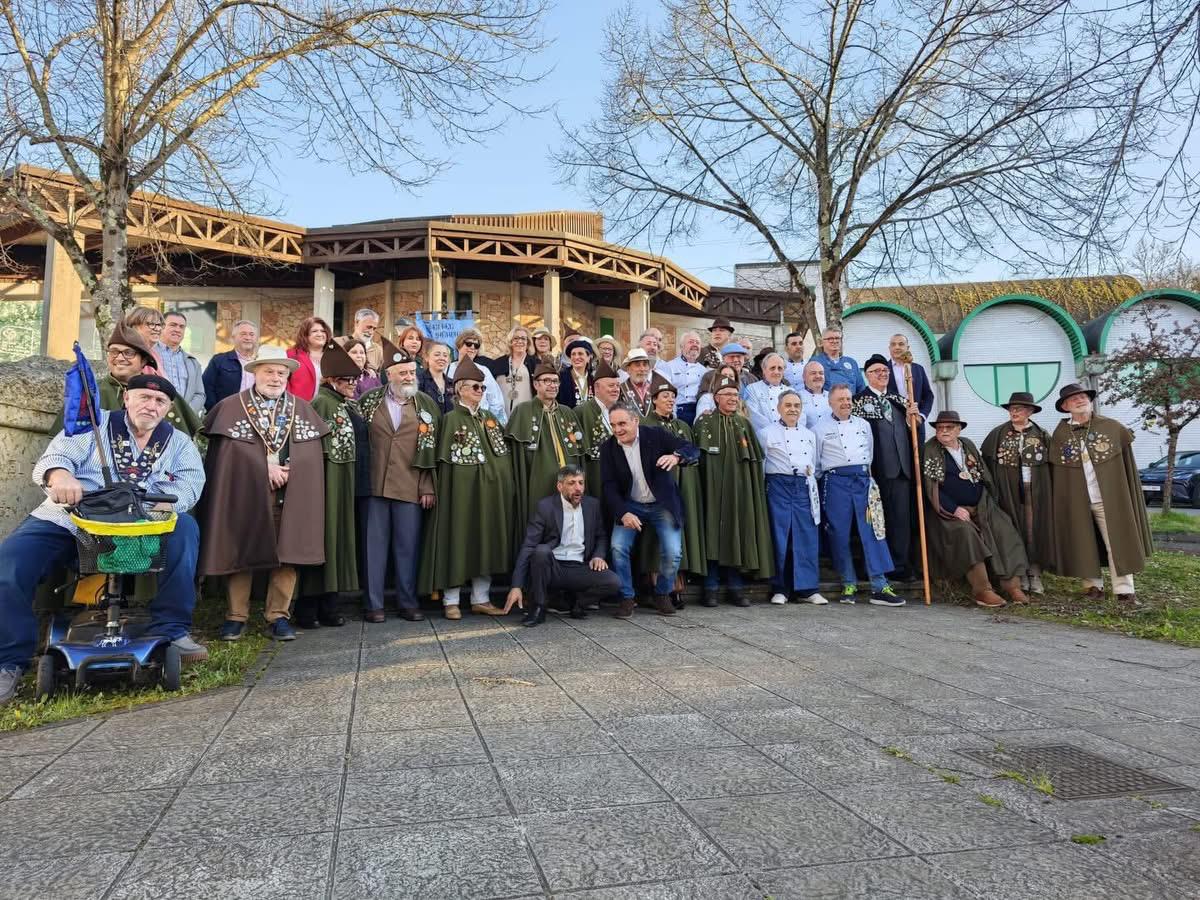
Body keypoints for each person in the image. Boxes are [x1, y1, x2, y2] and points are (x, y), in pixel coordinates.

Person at [0, 374, 207, 707]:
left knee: (184, 528)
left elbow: (189, 487)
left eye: (159, 402)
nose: (150, 406)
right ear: (126, 398)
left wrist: (153, 505)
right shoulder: (93, 426)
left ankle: (172, 629)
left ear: (168, 408)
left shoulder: (178, 442)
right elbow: (54, 461)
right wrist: (62, 477)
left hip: (142, 526)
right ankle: (8, 661)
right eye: (143, 397)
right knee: (10, 561)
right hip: (73, 519)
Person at [199, 345, 330, 642]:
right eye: (269, 371)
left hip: (289, 493)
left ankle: (278, 616)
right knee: (242, 547)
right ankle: (236, 616)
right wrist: (262, 469)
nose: (275, 377)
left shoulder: (301, 408)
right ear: (255, 372)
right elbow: (229, 458)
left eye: (281, 373)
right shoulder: (232, 407)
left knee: (288, 553)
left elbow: (312, 455)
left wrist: (294, 468)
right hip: (245, 493)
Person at [418, 356, 511, 619]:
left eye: (482, 388)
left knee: (486, 540)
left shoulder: (490, 418)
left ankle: (481, 598)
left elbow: (501, 455)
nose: (480, 392)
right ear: (459, 388)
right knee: (456, 541)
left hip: (489, 494)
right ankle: (451, 600)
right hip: (459, 496)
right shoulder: (449, 419)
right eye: (474, 387)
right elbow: (441, 461)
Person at [1049, 383, 1153, 608]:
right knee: (1083, 541)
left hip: (1108, 498)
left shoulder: (1111, 428)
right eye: (1073, 399)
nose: (1080, 400)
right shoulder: (1060, 434)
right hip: (1077, 500)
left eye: (1083, 396)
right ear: (1065, 407)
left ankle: (1124, 590)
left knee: (1116, 541)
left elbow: (1126, 467)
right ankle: (1092, 586)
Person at [358, 345, 440, 623]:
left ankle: (407, 602)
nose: (408, 377)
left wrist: (427, 485)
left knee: (408, 547)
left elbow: (433, 448)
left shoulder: (426, 403)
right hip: (374, 486)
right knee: (374, 548)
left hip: (411, 485)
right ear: (389, 375)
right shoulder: (369, 401)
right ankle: (374, 605)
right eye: (402, 372)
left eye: (411, 372)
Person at [923, 411, 1030, 608]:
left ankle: (1012, 585)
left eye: (949, 427)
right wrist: (954, 508)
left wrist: (984, 501)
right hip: (948, 512)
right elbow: (931, 486)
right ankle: (982, 589)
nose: (944, 431)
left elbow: (982, 475)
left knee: (1003, 528)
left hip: (981, 504)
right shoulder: (931, 449)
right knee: (966, 534)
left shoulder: (967, 445)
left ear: (959, 429)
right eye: (940, 428)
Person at [602, 403, 699, 618]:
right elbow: (608, 486)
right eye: (613, 425)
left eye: (622, 423)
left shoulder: (655, 435)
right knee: (618, 547)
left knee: (673, 552)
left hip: (661, 504)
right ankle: (627, 597)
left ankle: (662, 593)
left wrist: (676, 457)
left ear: (635, 421)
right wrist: (623, 513)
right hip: (630, 505)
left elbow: (692, 449)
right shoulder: (608, 448)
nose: (617, 429)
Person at [295, 341, 366, 629]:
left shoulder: (343, 403)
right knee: (323, 541)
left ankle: (330, 604)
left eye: (355, 380)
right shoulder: (322, 403)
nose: (353, 385)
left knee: (338, 542)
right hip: (327, 482)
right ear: (333, 380)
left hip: (343, 481)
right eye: (348, 380)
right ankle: (308, 608)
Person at [815, 384, 904, 606]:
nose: (845, 403)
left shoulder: (863, 425)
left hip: (862, 481)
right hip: (835, 483)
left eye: (848, 399)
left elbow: (870, 455)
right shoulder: (819, 428)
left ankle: (879, 584)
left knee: (873, 530)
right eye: (840, 400)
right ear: (830, 403)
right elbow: (817, 463)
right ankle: (848, 582)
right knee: (839, 532)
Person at [504, 465, 622, 627]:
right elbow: (529, 546)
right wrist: (516, 585)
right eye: (571, 483)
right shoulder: (545, 506)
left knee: (613, 581)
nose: (578, 488)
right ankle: (538, 607)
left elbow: (601, 535)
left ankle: (577, 604)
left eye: (581, 483)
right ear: (560, 486)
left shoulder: (592, 505)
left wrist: (598, 556)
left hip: (580, 567)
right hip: (553, 567)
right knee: (540, 551)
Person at [692, 375, 774, 605]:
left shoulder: (744, 424)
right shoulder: (704, 423)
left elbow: (754, 462)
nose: (732, 399)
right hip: (713, 491)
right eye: (727, 394)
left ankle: (736, 588)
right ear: (716, 398)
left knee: (738, 533)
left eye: (735, 395)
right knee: (712, 532)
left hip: (740, 492)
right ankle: (710, 588)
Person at [64, 321, 203, 438]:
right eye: (114, 352)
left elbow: (180, 444)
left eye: (128, 353)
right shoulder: (89, 393)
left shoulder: (162, 393)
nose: (119, 358)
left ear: (143, 361)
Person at [981, 392, 1055, 596]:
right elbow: (986, 463)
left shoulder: (1040, 434)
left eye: (1019, 409)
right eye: (1012, 409)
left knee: (1034, 531)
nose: (1014, 412)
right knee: (1014, 530)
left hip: (1036, 491)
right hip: (1008, 492)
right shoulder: (998, 434)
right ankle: (1019, 574)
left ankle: (1035, 574)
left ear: (1030, 411)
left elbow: (1052, 465)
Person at [758, 390, 826, 605]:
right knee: (781, 537)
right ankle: (781, 588)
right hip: (778, 485)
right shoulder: (766, 433)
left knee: (806, 536)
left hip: (803, 486)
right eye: (788, 405)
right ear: (779, 408)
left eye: (796, 405)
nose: (792, 409)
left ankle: (808, 589)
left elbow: (815, 465)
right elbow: (761, 464)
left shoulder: (809, 434)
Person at [854, 354, 919, 581]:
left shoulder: (899, 400)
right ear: (867, 375)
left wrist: (915, 420)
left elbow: (912, 432)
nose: (882, 374)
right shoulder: (859, 401)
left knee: (901, 519)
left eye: (885, 371)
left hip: (902, 470)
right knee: (876, 519)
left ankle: (900, 565)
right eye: (876, 371)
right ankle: (875, 565)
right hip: (876, 470)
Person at [641, 382, 707, 599]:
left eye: (672, 396)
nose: (670, 400)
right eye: (665, 396)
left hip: (683, 486)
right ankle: (658, 587)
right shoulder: (645, 425)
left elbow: (693, 454)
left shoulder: (683, 426)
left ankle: (677, 585)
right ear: (653, 399)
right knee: (657, 539)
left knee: (678, 537)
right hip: (657, 490)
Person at [507, 363, 586, 525]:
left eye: (555, 381)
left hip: (570, 484)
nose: (552, 385)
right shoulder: (523, 411)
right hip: (538, 481)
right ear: (536, 384)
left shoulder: (567, 412)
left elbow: (579, 452)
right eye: (547, 381)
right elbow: (516, 457)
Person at [576, 359, 622, 499]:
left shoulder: (623, 410)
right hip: (594, 478)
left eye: (618, 385)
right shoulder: (581, 412)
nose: (616, 389)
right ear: (596, 387)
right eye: (611, 385)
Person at [449, 328, 507, 424]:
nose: (472, 348)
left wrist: (492, 424)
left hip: (480, 421)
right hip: (454, 421)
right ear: (459, 345)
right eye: (468, 343)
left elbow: (496, 401)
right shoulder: (447, 370)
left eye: (476, 345)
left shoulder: (484, 371)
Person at [203, 319, 259, 412]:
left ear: (256, 339)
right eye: (243, 334)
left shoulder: (260, 364)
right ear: (233, 337)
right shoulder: (219, 360)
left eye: (251, 334)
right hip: (225, 414)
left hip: (254, 415)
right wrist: (216, 411)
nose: (248, 337)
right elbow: (206, 388)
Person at [887, 334, 935, 442]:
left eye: (901, 344)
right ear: (889, 348)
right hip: (893, 426)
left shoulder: (918, 369)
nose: (897, 347)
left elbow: (928, 396)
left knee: (917, 457)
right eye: (893, 344)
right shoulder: (884, 370)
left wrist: (921, 416)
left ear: (907, 348)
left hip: (916, 423)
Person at [155, 311, 205, 413]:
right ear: (161, 327)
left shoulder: (193, 362)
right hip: (155, 416)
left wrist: (186, 413)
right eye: (173, 325)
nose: (177, 329)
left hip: (184, 421)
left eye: (181, 327)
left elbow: (200, 394)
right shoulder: (149, 354)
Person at [656, 331, 706, 425]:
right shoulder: (669, 366)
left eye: (697, 343)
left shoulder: (704, 371)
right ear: (682, 347)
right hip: (678, 411)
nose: (695, 345)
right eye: (691, 342)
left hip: (699, 411)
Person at [489, 325, 537, 415]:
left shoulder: (535, 364)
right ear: (510, 342)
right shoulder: (497, 363)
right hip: (502, 415)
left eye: (523, 338)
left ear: (528, 343)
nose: (519, 341)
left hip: (527, 414)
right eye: (516, 338)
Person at [743, 352, 792, 431]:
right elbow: (754, 416)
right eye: (772, 368)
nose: (776, 372)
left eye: (780, 368)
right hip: (763, 437)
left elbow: (799, 416)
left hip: (788, 436)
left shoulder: (791, 392)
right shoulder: (752, 389)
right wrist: (776, 432)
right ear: (764, 370)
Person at [286, 316, 331, 401]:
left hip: (325, 409)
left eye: (323, 331)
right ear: (305, 335)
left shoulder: (333, 357)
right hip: (299, 407)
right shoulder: (291, 354)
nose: (320, 334)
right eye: (314, 331)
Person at [809, 327, 864, 394]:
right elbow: (811, 387)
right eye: (830, 339)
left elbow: (861, 388)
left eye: (837, 338)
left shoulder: (851, 362)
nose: (834, 341)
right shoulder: (816, 362)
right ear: (822, 342)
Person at [619, 348, 670, 416]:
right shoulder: (620, 389)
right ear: (628, 369)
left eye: (645, 365)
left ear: (649, 368)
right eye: (637, 365)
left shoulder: (657, 388)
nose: (642, 369)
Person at [124, 306, 166, 371]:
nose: (158, 329)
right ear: (135, 327)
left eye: (159, 325)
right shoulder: (129, 354)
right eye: (151, 324)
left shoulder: (154, 354)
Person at [418, 341, 455, 414]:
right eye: (437, 354)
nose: (442, 358)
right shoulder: (419, 381)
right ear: (426, 357)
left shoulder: (453, 383)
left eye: (445, 355)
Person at [557, 337, 595, 408]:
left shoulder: (593, 379)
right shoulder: (561, 377)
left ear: (588, 357)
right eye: (573, 354)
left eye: (580, 354)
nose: (576, 357)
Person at [800, 360, 832, 431]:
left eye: (821, 373)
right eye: (813, 373)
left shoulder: (832, 396)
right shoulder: (797, 398)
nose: (818, 376)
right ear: (804, 377)